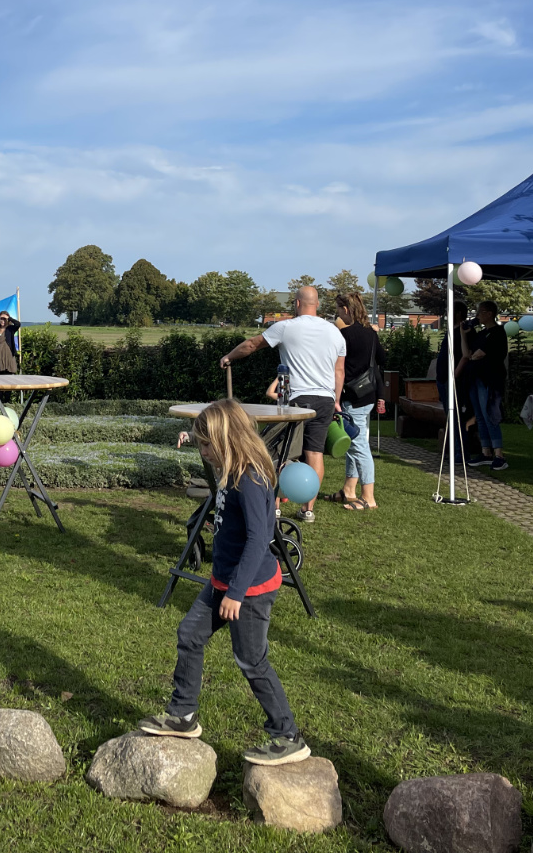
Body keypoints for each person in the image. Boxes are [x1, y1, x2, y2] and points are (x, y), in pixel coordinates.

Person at [139, 398, 309, 766]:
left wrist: (235, 593)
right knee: (190, 634)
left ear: (226, 440)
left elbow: (257, 540)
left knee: (251, 660)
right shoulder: (232, 472)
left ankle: (287, 734)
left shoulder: (250, 480)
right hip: (224, 581)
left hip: (248, 589)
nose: (202, 451)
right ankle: (183, 715)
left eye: (205, 445)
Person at [220, 285, 344, 523]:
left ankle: (274, 505)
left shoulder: (287, 327)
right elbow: (339, 370)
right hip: (325, 399)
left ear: (297, 303)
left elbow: (252, 344)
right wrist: (336, 399)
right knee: (314, 453)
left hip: (296, 399)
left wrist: (228, 356)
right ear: (317, 304)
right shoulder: (335, 333)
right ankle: (308, 510)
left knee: (281, 451)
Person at [331, 292, 385, 510]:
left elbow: (337, 367)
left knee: (358, 445)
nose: (336, 313)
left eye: (337, 309)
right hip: (368, 394)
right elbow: (383, 358)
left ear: (345, 310)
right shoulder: (370, 333)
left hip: (352, 396)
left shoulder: (345, 335)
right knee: (354, 440)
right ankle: (349, 490)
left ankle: (368, 497)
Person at [461, 302, 510, 472]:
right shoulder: (482, 334)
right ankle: (485, 452)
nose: (478, 315)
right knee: (480, 415)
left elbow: (479, 354)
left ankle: (499, 455)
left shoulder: (497, 332)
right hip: (475, 378)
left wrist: (476, 356)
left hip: (489, 379)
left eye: (480, 312)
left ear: (489, 313)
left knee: (489, 413)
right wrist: (463, 334)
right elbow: (468, 354)